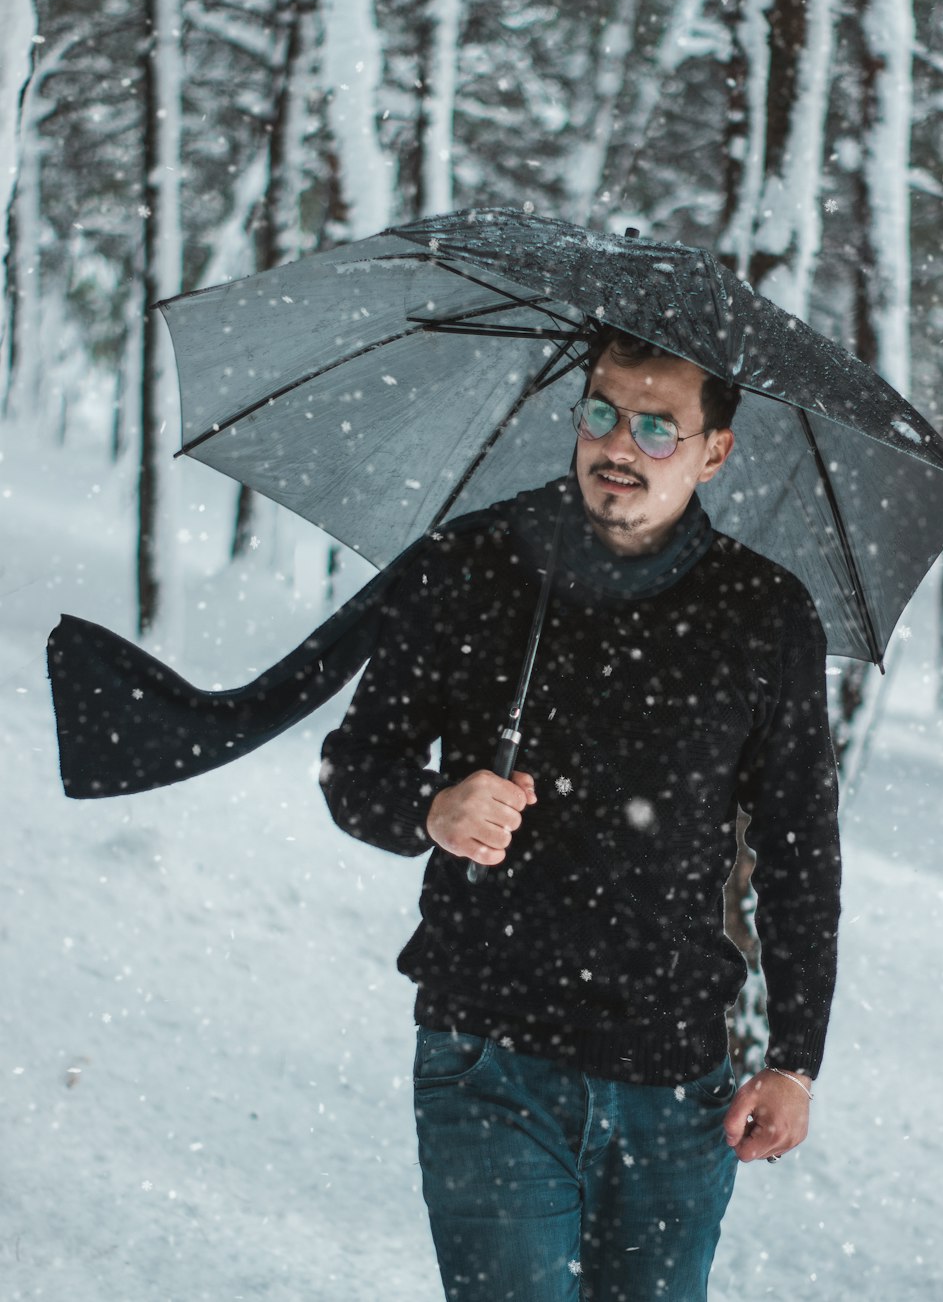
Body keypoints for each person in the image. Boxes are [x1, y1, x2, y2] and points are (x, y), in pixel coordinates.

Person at [320, 328, 842, 1301]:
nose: (618, 445)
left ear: (714, 449)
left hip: (677, 1080)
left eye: (657, 428)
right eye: (601, 412)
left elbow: (801, 853)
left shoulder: (764, 615)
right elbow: (355, 768)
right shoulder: (477, 566)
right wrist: (433, 808)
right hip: (490, 1058)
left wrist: (796, 1062)